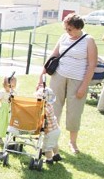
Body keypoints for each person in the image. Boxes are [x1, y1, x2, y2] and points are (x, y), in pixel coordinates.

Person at [38, 13, 98, 154]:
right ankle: (52, 141)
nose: (67, 31)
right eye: (65, 28)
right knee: (53, 109)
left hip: (77, 80)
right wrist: (42, 75)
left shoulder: (89, 40)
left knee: (74, 112)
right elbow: (53, 56)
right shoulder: (64, 37)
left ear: (78, 28)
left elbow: (92, 65)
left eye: (69, 29)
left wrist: (84, 86)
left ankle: (72, 142)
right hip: (58, 76)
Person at [37, 87, 62, 164]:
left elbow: (41, 117)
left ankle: (49, 159)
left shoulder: (45, 109)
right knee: (54, 143)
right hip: (56, 130)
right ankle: (56, 155)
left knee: (47, 147)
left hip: (50, 132)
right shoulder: (50, 105)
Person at [0, 73, 17, 144]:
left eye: (13, 86)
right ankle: (0, 137)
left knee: (9, 124)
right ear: (4, 85)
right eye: (9, 86)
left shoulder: (13, 92)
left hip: (10, 110)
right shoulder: (2, 92)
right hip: (3, 110)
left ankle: (9, 137)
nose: (11, 88)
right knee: (2, 123)